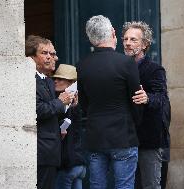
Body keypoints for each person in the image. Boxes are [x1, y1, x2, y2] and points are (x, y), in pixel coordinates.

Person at [77, 15, 141, 189]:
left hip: (96, 136)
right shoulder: (126, 63)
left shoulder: (82, 65)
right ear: (113, 33)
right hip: (123, 136)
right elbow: (137, 101)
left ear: (90, 38)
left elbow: (84, 104)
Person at [122, 21, 171, 189]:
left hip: (149, 140)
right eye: (125, 39)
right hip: (123, 139)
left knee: (150, 185)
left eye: (133, 40)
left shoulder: (155, 70)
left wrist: (147, 98)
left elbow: (162, 99)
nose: (128, 43)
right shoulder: (118, 68)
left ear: (145, 44)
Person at [25, 35, 73, 189]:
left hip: (51, 151)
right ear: (31, 57)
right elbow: (36, 110)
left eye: (52, 54)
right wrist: (60, 102)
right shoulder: (28, 79)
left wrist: (68, 106)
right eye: (45, 53)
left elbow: (53, 112)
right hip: (40, 152)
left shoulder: (48, 81)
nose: (52, 57)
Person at [53, 64, 86, 189]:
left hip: (67, 164)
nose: (55, 81)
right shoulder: (76, 103)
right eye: (55, 78)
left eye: (60, 79)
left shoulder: (64, 103)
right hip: (78, 163)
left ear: (71, 83)